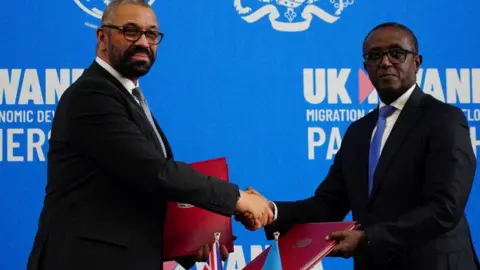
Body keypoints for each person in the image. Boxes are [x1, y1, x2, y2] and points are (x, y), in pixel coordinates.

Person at [26, 1, 272, 270]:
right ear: (101, 37)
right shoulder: (92, 95)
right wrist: (238, 198)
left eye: (151, 34)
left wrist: (190, 243)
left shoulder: (127, 96)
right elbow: (154, 172)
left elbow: (140, 194)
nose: (143, 41)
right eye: (130, 31)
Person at [237, 22, 479, 270]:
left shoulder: (444, 119)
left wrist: (369, 238)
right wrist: (270, 210)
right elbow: (327, 205)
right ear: (366, 68)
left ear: (416, 62)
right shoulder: (359, 131)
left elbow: (445, 208)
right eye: (375, 55)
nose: (385, 62)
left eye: (396, 53)